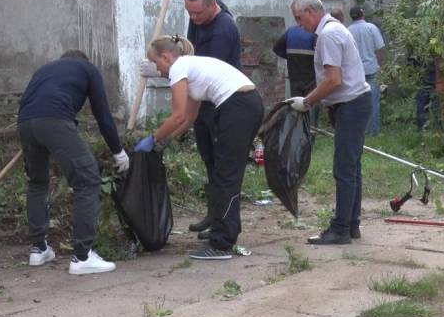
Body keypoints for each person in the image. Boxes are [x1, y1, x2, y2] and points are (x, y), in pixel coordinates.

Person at [135, 35, 263, 260]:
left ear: (166, 57)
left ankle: (222, 244)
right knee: (226, 173)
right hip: (246, 105)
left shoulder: (179, 67)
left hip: (238, 107)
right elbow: (188, 118)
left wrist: (153, 139)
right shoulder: (190, 68)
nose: (159, 71)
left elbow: (177, 116)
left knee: (226, 175)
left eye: (156, 64)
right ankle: (225, 230)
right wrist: (166, 141)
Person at [17, 50, 128, 275]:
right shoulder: (88, 69)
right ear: (83, 61)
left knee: (37, 183)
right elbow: (103, 115)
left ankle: (38, 249)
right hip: (55, 120)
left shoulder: (45, 70)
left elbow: (32, 101)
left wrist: (36, 131)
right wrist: (118, 151)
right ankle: (82, 256)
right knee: (87, 180)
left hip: (26, 122)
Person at [162, 0, 243, 237]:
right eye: (189, 13)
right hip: (205, 104)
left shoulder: (222, 31)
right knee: (208, 158)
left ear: (212, 6)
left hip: (222, 104)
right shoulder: (201, 2)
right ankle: (214, 213)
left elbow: (205, 78)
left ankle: (223, 220)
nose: (193, 19)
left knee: (221, 163)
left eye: (198, 14)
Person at [288, 0, 372, 245]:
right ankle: (351, 223)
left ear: (311, 12)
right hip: (352, 104)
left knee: (344, 169)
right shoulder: (333, 31)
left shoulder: (328, 35)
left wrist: (307, 101)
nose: (299, 24)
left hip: (351, 105)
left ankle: (340, 229)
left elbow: (334, 80)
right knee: (351, 167)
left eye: (299, 18)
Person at [347, 6, 386, 136]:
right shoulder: (371, 28)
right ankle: (373, 131)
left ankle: (358, 130)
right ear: (362, 14)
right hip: (372, 70)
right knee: (373, 101)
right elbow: (380, 50)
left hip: (356, 72)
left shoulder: (348, 31)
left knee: (356, 102)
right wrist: (383, 66)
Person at [272, 25, 320, 126]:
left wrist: (289, 57)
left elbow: (276, 48)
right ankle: (310, 134)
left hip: (294, 75)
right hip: (311, 76)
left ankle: (297, 134)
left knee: (296, 106)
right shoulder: (314, 33)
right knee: (311, 106)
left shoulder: (290, 31)